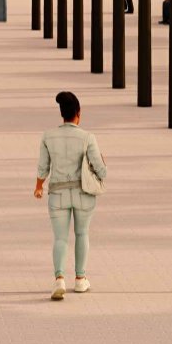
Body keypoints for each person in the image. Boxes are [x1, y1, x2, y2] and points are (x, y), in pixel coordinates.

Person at [35, 91, 105, 301]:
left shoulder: (48, 136)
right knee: (82, 234)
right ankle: (81, 279)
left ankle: (59, 279)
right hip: (83, 193)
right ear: (78, 113)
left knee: (60, 238)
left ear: (61, 114)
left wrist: (38, 186)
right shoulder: (87, 137)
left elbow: (42, 167)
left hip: (58, 193)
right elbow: (101, 170)